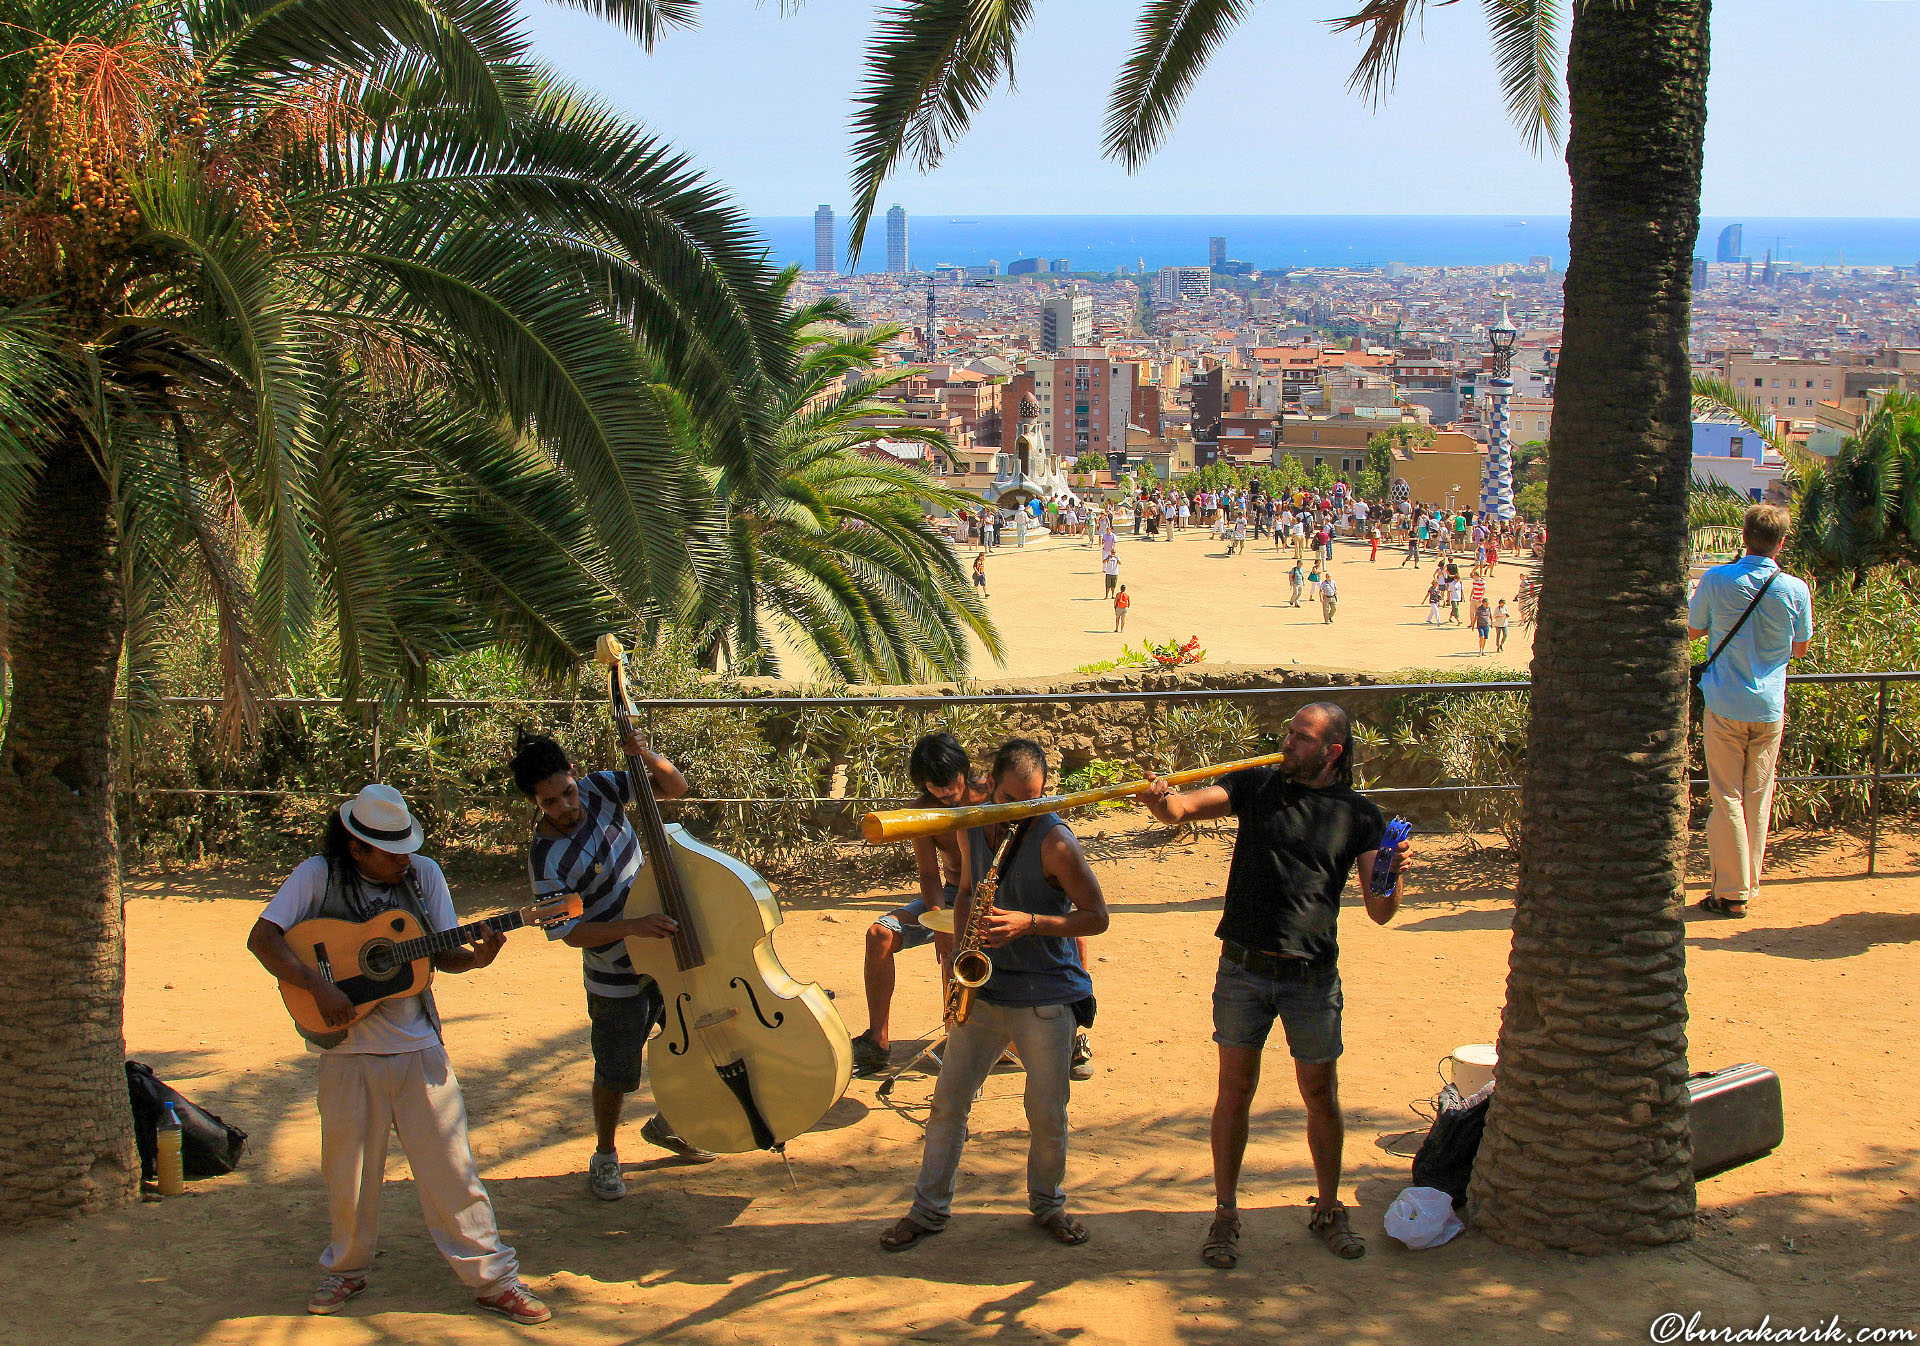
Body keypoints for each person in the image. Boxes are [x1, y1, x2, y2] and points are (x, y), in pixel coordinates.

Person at [247, 785, 551, 1325]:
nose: (403, 860)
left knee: (452, 1169)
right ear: (357, 848)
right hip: (346, 1051)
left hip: (418, 1049)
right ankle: (345, 1269)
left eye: (406, 847)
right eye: (390, 852)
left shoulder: (424, 875)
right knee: (349, 1172)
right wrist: (317, 987)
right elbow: (263, 938)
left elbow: (443, 955)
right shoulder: (318, 874)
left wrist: (477, 957)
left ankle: (493, 1279)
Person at [1141, 705, 1411, 1271]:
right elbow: (1183, 809)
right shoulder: (1259, 782)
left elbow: (1381, 911)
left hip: (1312, 977)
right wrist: (1160, 799)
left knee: (1320, 1093)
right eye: (1287, 732)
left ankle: (1330, 1208)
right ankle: (1225, 1214)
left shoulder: (1362, 815)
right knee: (1234, 1091)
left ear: (1332, 751)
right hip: (1243, 969)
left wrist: (1392, 868)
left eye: (1301, 738)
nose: (1286, 743)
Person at [880, 740, 1110, 1253]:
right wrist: (961, 961)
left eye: (1034, 799)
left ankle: (1049, 1204)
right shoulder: (970, 824)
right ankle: (928, 1209)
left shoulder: (1055, 841)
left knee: (1047, 1112)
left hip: (1045, 996)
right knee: (947, 1106)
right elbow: (964, 893)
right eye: (1013, 799)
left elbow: (1097, 917)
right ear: (992, 785)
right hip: (985, 991)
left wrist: (1029, 923)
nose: (1023, 811)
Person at [510, 729, 714, 1203]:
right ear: (534, 802)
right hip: (614, 973)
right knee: (617, 1070)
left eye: (566, 792)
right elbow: (567, 933)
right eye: (550, 802)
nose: (565, 806)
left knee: (701, 1037)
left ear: (575, 776)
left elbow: (673, 787)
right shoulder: (545, 857)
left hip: (666, 951)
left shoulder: (602, 787)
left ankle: (671, 1124)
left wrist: (641, 751)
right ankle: (604, 1154)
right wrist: (633, 927)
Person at [1687, 503, 1815, 919]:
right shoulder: (1795, 589)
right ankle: (1747, 882)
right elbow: (1800, 647)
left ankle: (1732, 890)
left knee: (1727, 796)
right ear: (1781, 543)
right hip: (1769, 705)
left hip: (1725, 701)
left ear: (1744, 537)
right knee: (1758, 796)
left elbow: (1693, 629)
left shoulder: (1718, 579)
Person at [852, 733, 985, 1075]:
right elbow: (929, 875)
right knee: (879, 935)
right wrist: (939, 919)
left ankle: (1070, 1039)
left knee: (1065, 923)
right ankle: (877, 1042)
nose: (946, 792)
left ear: (964, 769)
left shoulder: (991, 797)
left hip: (994, 895)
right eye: (935, 786)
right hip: (952, 895)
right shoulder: (921, 812)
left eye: (951, 781)